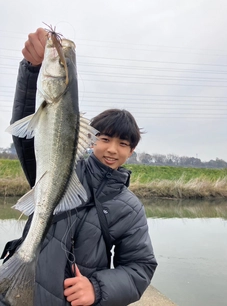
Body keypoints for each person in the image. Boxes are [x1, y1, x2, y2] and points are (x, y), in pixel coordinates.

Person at [0, 28, 157, 306]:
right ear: (87, 139)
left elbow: (140, 266)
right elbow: (26, 134)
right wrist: (31, 70)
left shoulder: (130, 208)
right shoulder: (67, 169)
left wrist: (97, 288)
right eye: (105, 139)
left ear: (131, 151)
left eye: (122, 144)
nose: (111, 149)